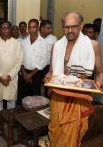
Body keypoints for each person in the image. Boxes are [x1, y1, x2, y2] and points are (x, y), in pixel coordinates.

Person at [44, 11, 102, 147]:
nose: (69, 31)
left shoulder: (93, 45)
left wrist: (98, 84)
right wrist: (48, 77)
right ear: (62, 27)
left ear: (81, 26)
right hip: (58, 97)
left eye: (74, 26)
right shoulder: (57, 46)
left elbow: (100, 72)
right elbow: (51, 72)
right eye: (66, 27)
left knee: (72, 137)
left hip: (78, 99)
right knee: (55, 132)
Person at [0, 20, 23, 117]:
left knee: (11, 100)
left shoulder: (16, 43)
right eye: (3, 28)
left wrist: (9, 76)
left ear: (10, 29)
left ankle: (10, 119)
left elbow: (19, 61)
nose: (5, 30)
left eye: (7, 27)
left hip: (11, 78)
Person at [17, 19, 47, 105]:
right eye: (29, 27)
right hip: (24, 72)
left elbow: (43, 62)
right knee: (22, 97)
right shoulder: (24, 42)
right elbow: (20, 58)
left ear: (38, 28)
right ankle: (21, 115)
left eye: (34, 27)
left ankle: (33, 116)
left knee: (34, 99)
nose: (31, 29)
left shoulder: (43, 43)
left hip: (36, 74)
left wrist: (31, 74)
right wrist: (25, 73)